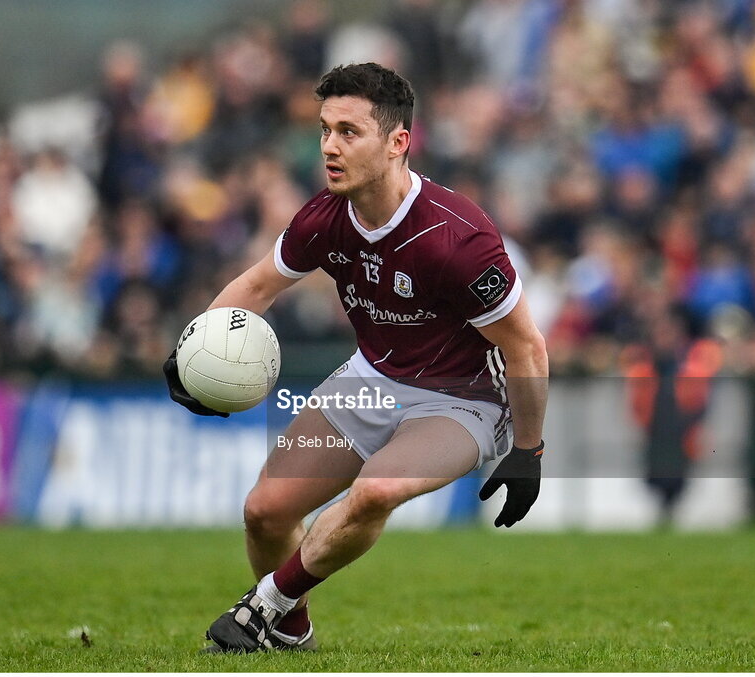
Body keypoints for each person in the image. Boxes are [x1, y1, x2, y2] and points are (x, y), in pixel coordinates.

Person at [164, 63, 549, 653]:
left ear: (399, 143)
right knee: (265, 512)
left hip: (464, 398)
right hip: (374, 376)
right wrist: (194, 349)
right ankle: (292, 636)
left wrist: (529, 450)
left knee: (374, 491)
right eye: (324, 129)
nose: (329, 146)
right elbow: (258, 286)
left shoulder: (458, 239)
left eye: (349, 131)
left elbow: (525, 345)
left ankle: (263, 608)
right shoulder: (324, 218)